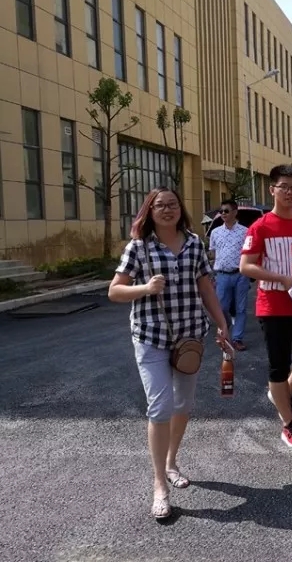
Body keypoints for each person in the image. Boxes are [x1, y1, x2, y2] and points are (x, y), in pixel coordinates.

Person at [109, 187, 229, 520]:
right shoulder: (138, 247)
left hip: (189, 337)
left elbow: (205, 287)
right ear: (149, 211)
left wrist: (221, 323)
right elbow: (115, 291)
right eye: (160, 205)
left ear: (181, 209)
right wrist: (146, 288)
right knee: (160, 406)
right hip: (151, 336)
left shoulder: (194, 243)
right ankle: (159, 483)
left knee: (183, 404)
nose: (167, 209)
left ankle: (171, 461)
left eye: (173, 204)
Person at [239, 165, 292, 449]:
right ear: (272, 189)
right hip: (273, 307)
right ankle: (289, 423)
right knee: (278, 365)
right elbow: (246, 266)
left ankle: (281, 394)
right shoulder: (261, 227)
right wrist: (281, 278)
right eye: (284, 186)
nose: (289, 192)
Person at [208, 199, 249, 351]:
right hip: (222, 275)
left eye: (226, 211)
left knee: (241, 308)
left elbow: (249, 253)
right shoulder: (215, 232)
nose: (223, 214)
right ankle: (225, 328)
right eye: (221, 211)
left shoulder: (246, 232)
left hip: (240, 275)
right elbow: (213, 253)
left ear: (235, 212)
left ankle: (237, 338)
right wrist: (212, 273)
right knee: (221, 307)